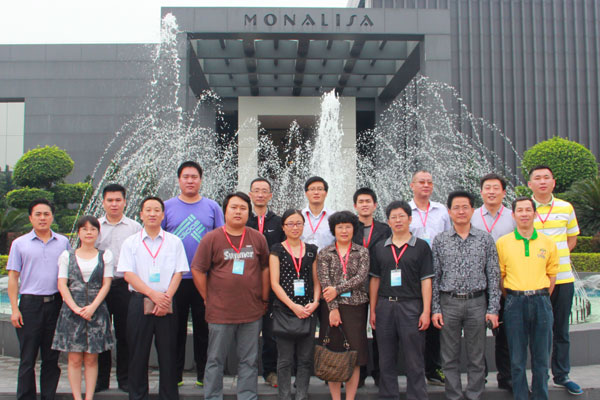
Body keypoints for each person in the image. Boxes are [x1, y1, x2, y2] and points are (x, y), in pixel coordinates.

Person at [190, 192, 270, 400]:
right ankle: (213, 396)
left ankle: (247, 396)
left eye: (243, 208)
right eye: (233, 207)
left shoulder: (257, 238)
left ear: (249, 213)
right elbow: (197, 269)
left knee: (249, 360)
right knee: (215, 359)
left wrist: (264, 298)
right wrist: (207, 297)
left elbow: (265, 268)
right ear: (225, 211)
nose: (238, 212)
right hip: (220, 312)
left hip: (251, 312)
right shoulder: (211, 238)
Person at [431, 190, 501, 400]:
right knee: (449, 357)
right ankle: (453, 395)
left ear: (472, 210)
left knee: (476, 356)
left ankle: (474, 395)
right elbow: (435, 277)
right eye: (456, 208)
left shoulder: (485, 239)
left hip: (476, 302)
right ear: (449, 211)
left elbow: (493, 275)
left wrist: (493, 309)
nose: (461, 211)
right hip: (449, 302)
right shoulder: (440, 240)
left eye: (465, 207)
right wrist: (435, 309)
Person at [118, 196, 189, 400]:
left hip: (167, 303)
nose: (152, 214)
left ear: (163, 215)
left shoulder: (174, 242)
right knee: (138, 353)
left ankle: (169, 395)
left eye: (157, 210)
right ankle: (138, 395)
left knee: (168, 354)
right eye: (148, 210)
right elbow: (128, 274)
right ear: (141, 214)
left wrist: (165, 298)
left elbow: (179, 272)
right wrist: (153, 295)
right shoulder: (131, 242)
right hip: (139, 301)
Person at [162, 161, 224, 387]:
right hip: (175, 280)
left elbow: (221, 239)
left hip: (205, 279)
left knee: (204, 328)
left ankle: (204, 375)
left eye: (194, 177)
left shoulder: (212, 207)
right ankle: (175, 375)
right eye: (186, 177)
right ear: (179, 180)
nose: (190, 181)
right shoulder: (166, 207)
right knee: (174, 329)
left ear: (201, 180)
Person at [369, 200, 434, 400]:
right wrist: (373, 310)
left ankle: (417, 396)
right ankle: (389, 395)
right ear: (388, 221)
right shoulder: (379, 247)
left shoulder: (421, 246)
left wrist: (426, 311)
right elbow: (375, 280)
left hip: (411, 306)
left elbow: (426, 280)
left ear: (410, 219)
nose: (398, 221)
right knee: (386, 357)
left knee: (414, 357)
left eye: (402, 216)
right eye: (393, 217)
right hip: (385, 306)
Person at [7, 199, 70, 400]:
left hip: (55, 304)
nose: (42, 218)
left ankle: (48, 396)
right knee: (28, 357)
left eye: (46, 214)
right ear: (30, 218)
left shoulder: (63, 242)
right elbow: (13, 277)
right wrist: (14, 309)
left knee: (51, 357)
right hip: (30, 305)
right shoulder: (19, 244)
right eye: (38, 214)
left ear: (52, 217)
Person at [496, 197, 559, 400]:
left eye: (528, 210)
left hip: (541, 301)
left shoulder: (547, 243)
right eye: (520, 211)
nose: (524, 214)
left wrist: (540, 295)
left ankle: (541, 396)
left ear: (535, 214)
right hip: (514, 302)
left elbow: (552, 276)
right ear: (513, 215)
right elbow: (501, 277)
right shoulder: (503, 243)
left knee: (541, 358)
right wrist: (514, 296)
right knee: (517, 359)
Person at [528, 165, 582, 395]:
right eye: (537, 178)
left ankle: (562, 375)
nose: (542, 181)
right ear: (530, 184)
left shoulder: (565, 207)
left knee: (561, 329)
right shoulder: (525, 208)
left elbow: (572, 240)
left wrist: (555, 260)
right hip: (535, 281)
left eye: (546, 178)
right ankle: (540, 376)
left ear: (553, 182)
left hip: (563, 278)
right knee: (538, 330)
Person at [52, 215, 115, 400]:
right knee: (74, 358)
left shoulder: (105, 255)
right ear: (78, 232)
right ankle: (77, 397)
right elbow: (62, 284)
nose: (89, 233)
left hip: (96, 312)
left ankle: (89, 397)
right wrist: (75, 307)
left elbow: (106, 284)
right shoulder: (67, 255)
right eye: (85, 229)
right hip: (72, 312)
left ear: (98, 233)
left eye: (93, 229)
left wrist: (92, 307)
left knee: (91, 358)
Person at [317, 211, 369, 400]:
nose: (344, 230)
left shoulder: (362, 252)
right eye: (340, 227)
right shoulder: (325, 253)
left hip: (356, 308)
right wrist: (333, 309)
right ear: (334, 230)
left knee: (354, 355)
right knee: (334, 353)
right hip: (331, 309)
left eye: (348, 227)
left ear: (354, 229)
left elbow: (361, 277)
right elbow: (324, 281)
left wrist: (337, 289)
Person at [470, 173, 515, 392]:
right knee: (476, 333)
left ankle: (506, 377)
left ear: (504, 192)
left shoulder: (513, 217)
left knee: (504, 333)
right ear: (481, 192)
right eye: (487, 188)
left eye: (496, 188)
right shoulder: (472, 216)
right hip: (478, 282)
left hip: (505, 283)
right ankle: (481, 376)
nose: (491, 192)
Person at [269, 209, 320, 400]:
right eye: (290, 223)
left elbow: (316, 281)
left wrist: (315, 302)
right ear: (283, 227)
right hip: (285, 311)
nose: (295, 227)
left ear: (303, 226)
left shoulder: (312, 250)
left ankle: (301, 395)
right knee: (284, 360)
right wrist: (293, 306)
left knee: (305, 359)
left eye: (298, 223)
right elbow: (274, 283)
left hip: (308, 311)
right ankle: (284, 396)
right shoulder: (277, 250)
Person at [96, 184, 142, 393]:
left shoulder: (134, 228)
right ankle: (101, 379)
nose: (114, 204)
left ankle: (125, 379)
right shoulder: (95, 226)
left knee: (125, 333)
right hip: (101, 286)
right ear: (103, 202)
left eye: (118, 200)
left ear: (124, 202)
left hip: (125, 286)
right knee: (101, 332)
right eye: (110, 200)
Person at [409, 170, 451, 386]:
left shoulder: (442, 210)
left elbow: (449, 238)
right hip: (412, 273)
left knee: (435, 320)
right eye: (421, 182)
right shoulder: (405, 210)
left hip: (437, 272)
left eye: (429, 182)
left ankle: (434, 368)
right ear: (412, 185)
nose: (426, 185)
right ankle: (415, 368)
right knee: (413, 319)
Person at [247, 177, 285, 388]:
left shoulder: (278, 222)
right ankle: (247, 372)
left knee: (271, 332)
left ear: (270, 195)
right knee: (247, 332)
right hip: (247, 285)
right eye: (256, 190)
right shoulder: (244, 220)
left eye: (264, 191)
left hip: (272, 285)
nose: (260, 194)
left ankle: (271, 371)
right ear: (250, 194)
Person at [352, 187, 391, 387]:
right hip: (355, 286)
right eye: (361, 201)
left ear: (375, 205)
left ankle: (380, 373)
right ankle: (359, 372)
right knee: (357, 330)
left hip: (380, 284)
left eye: (368, 201)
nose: (365, 205)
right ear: (355, 206)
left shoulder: (385, 229)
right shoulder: (350, 227)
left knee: (380, 330)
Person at [301, 176, 335, 251]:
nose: (316, 192)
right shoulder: (299, 216)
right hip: (302, 257)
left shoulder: (334, 216)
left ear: (326, 193)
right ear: (306, 193)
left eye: (320, 189)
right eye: (312, 189)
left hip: (327, 257)